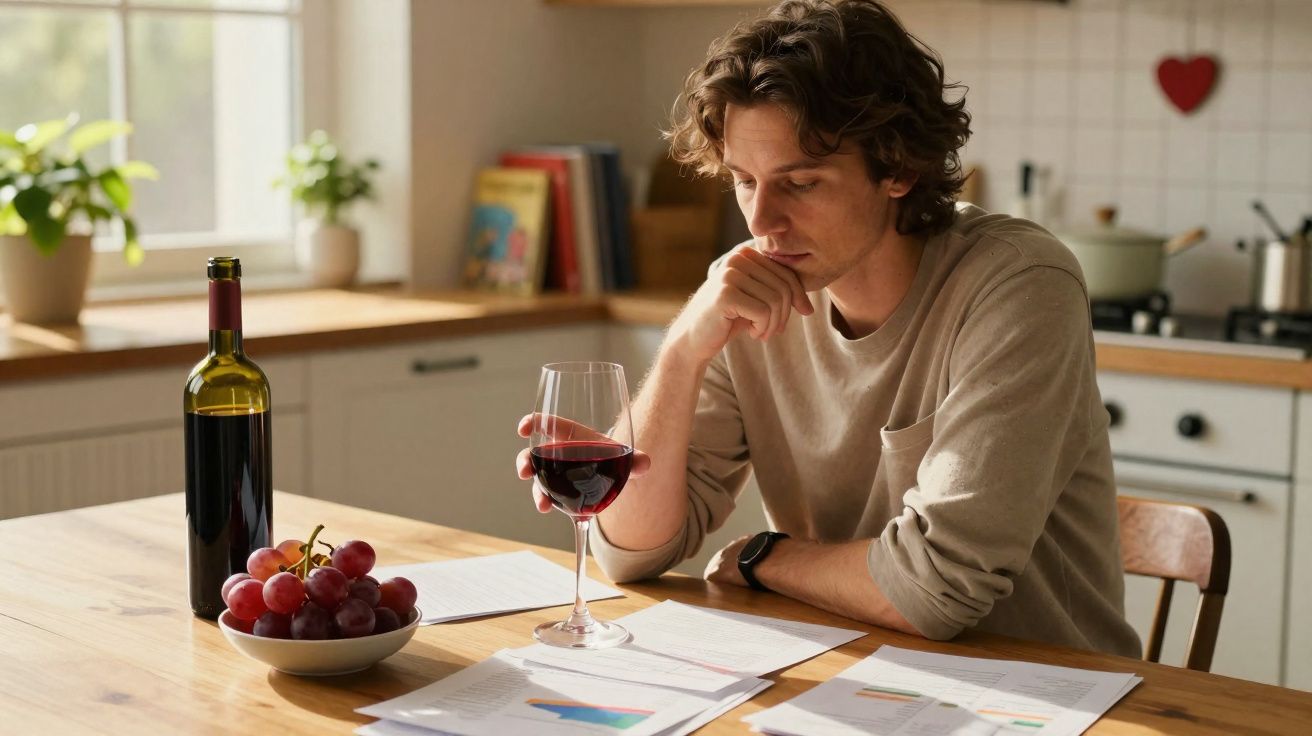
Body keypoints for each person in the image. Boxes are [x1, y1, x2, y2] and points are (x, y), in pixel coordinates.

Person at [516, 0, 1141, 657]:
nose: (762, 221)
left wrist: (765, 557)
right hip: (845, 670)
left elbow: (940, 588)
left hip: (1046, 693)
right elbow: (632, 551)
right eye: (744, 181)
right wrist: (682, 351)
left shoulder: (1018, 283)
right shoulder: (751, 289)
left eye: (802, 183)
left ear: (898, 168)